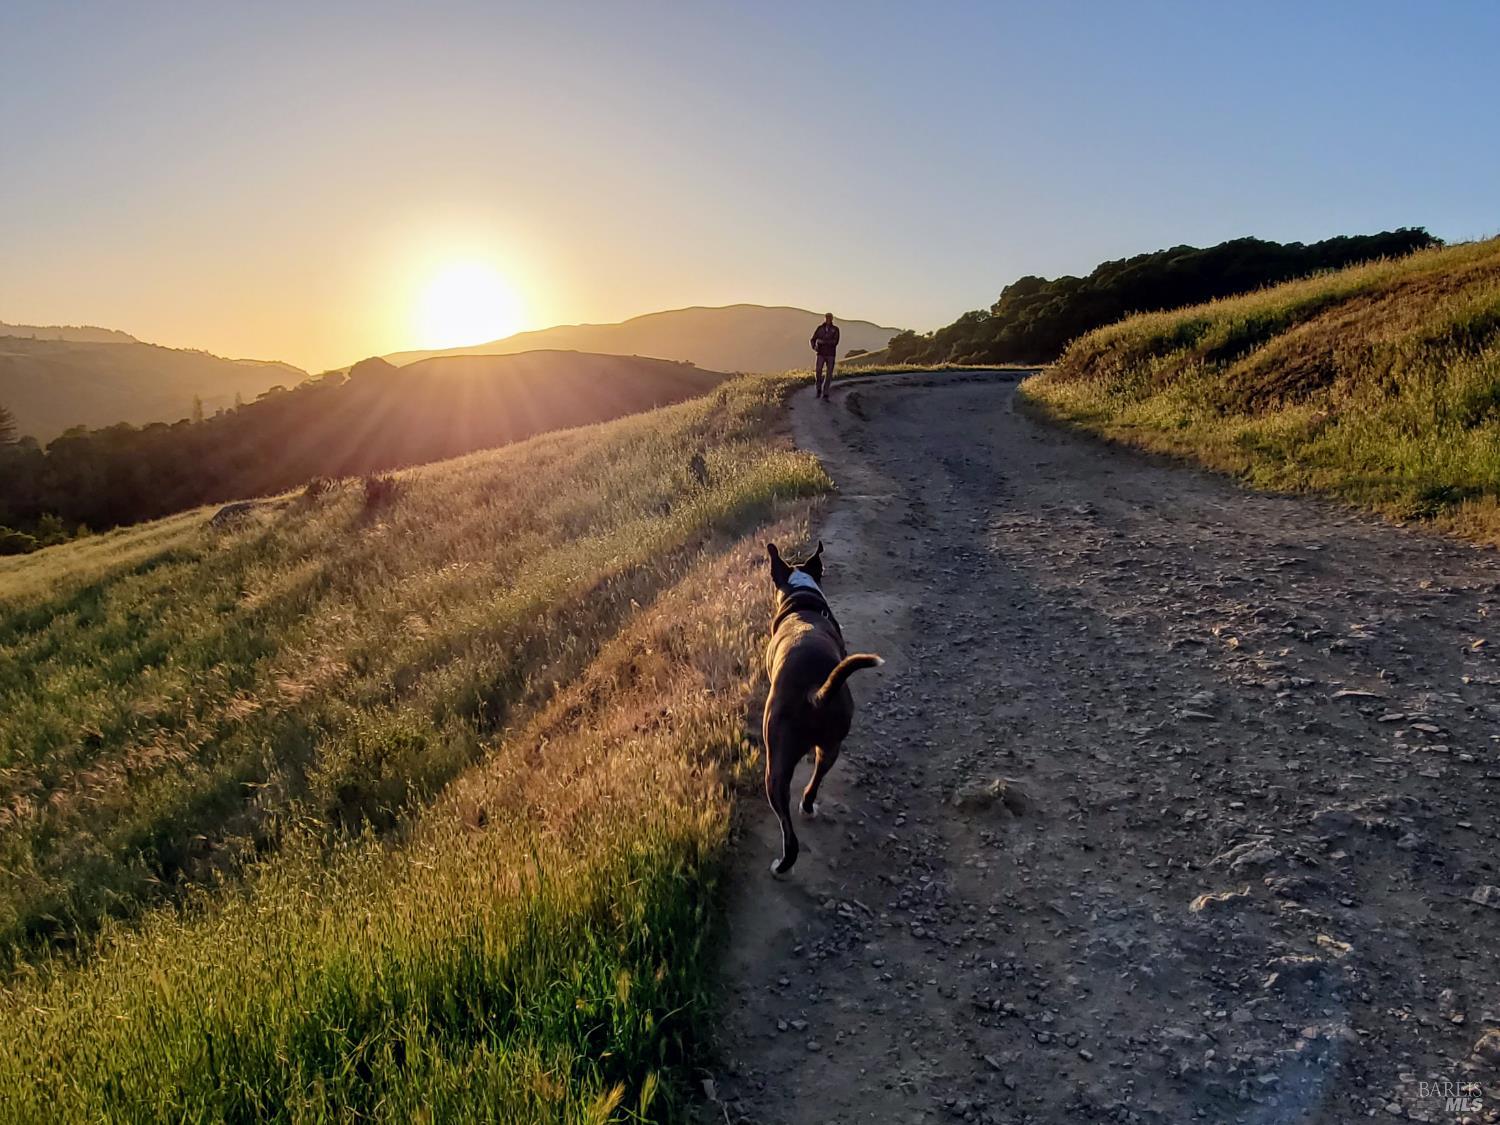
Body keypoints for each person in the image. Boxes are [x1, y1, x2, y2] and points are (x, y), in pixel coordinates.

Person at [810, 313, 840, 399]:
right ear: (825, 318)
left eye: (830, 318)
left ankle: (826, 391)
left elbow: (835, 342)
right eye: (827, 318)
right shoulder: (820, 329)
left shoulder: (835, 329)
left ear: (832, 319)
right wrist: (814, 346)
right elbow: (813, 339)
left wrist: (823, 342)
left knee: (829, 373)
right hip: (821, 353)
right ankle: (819, 388)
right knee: (818, 370)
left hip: (831, 354)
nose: (828, 320)